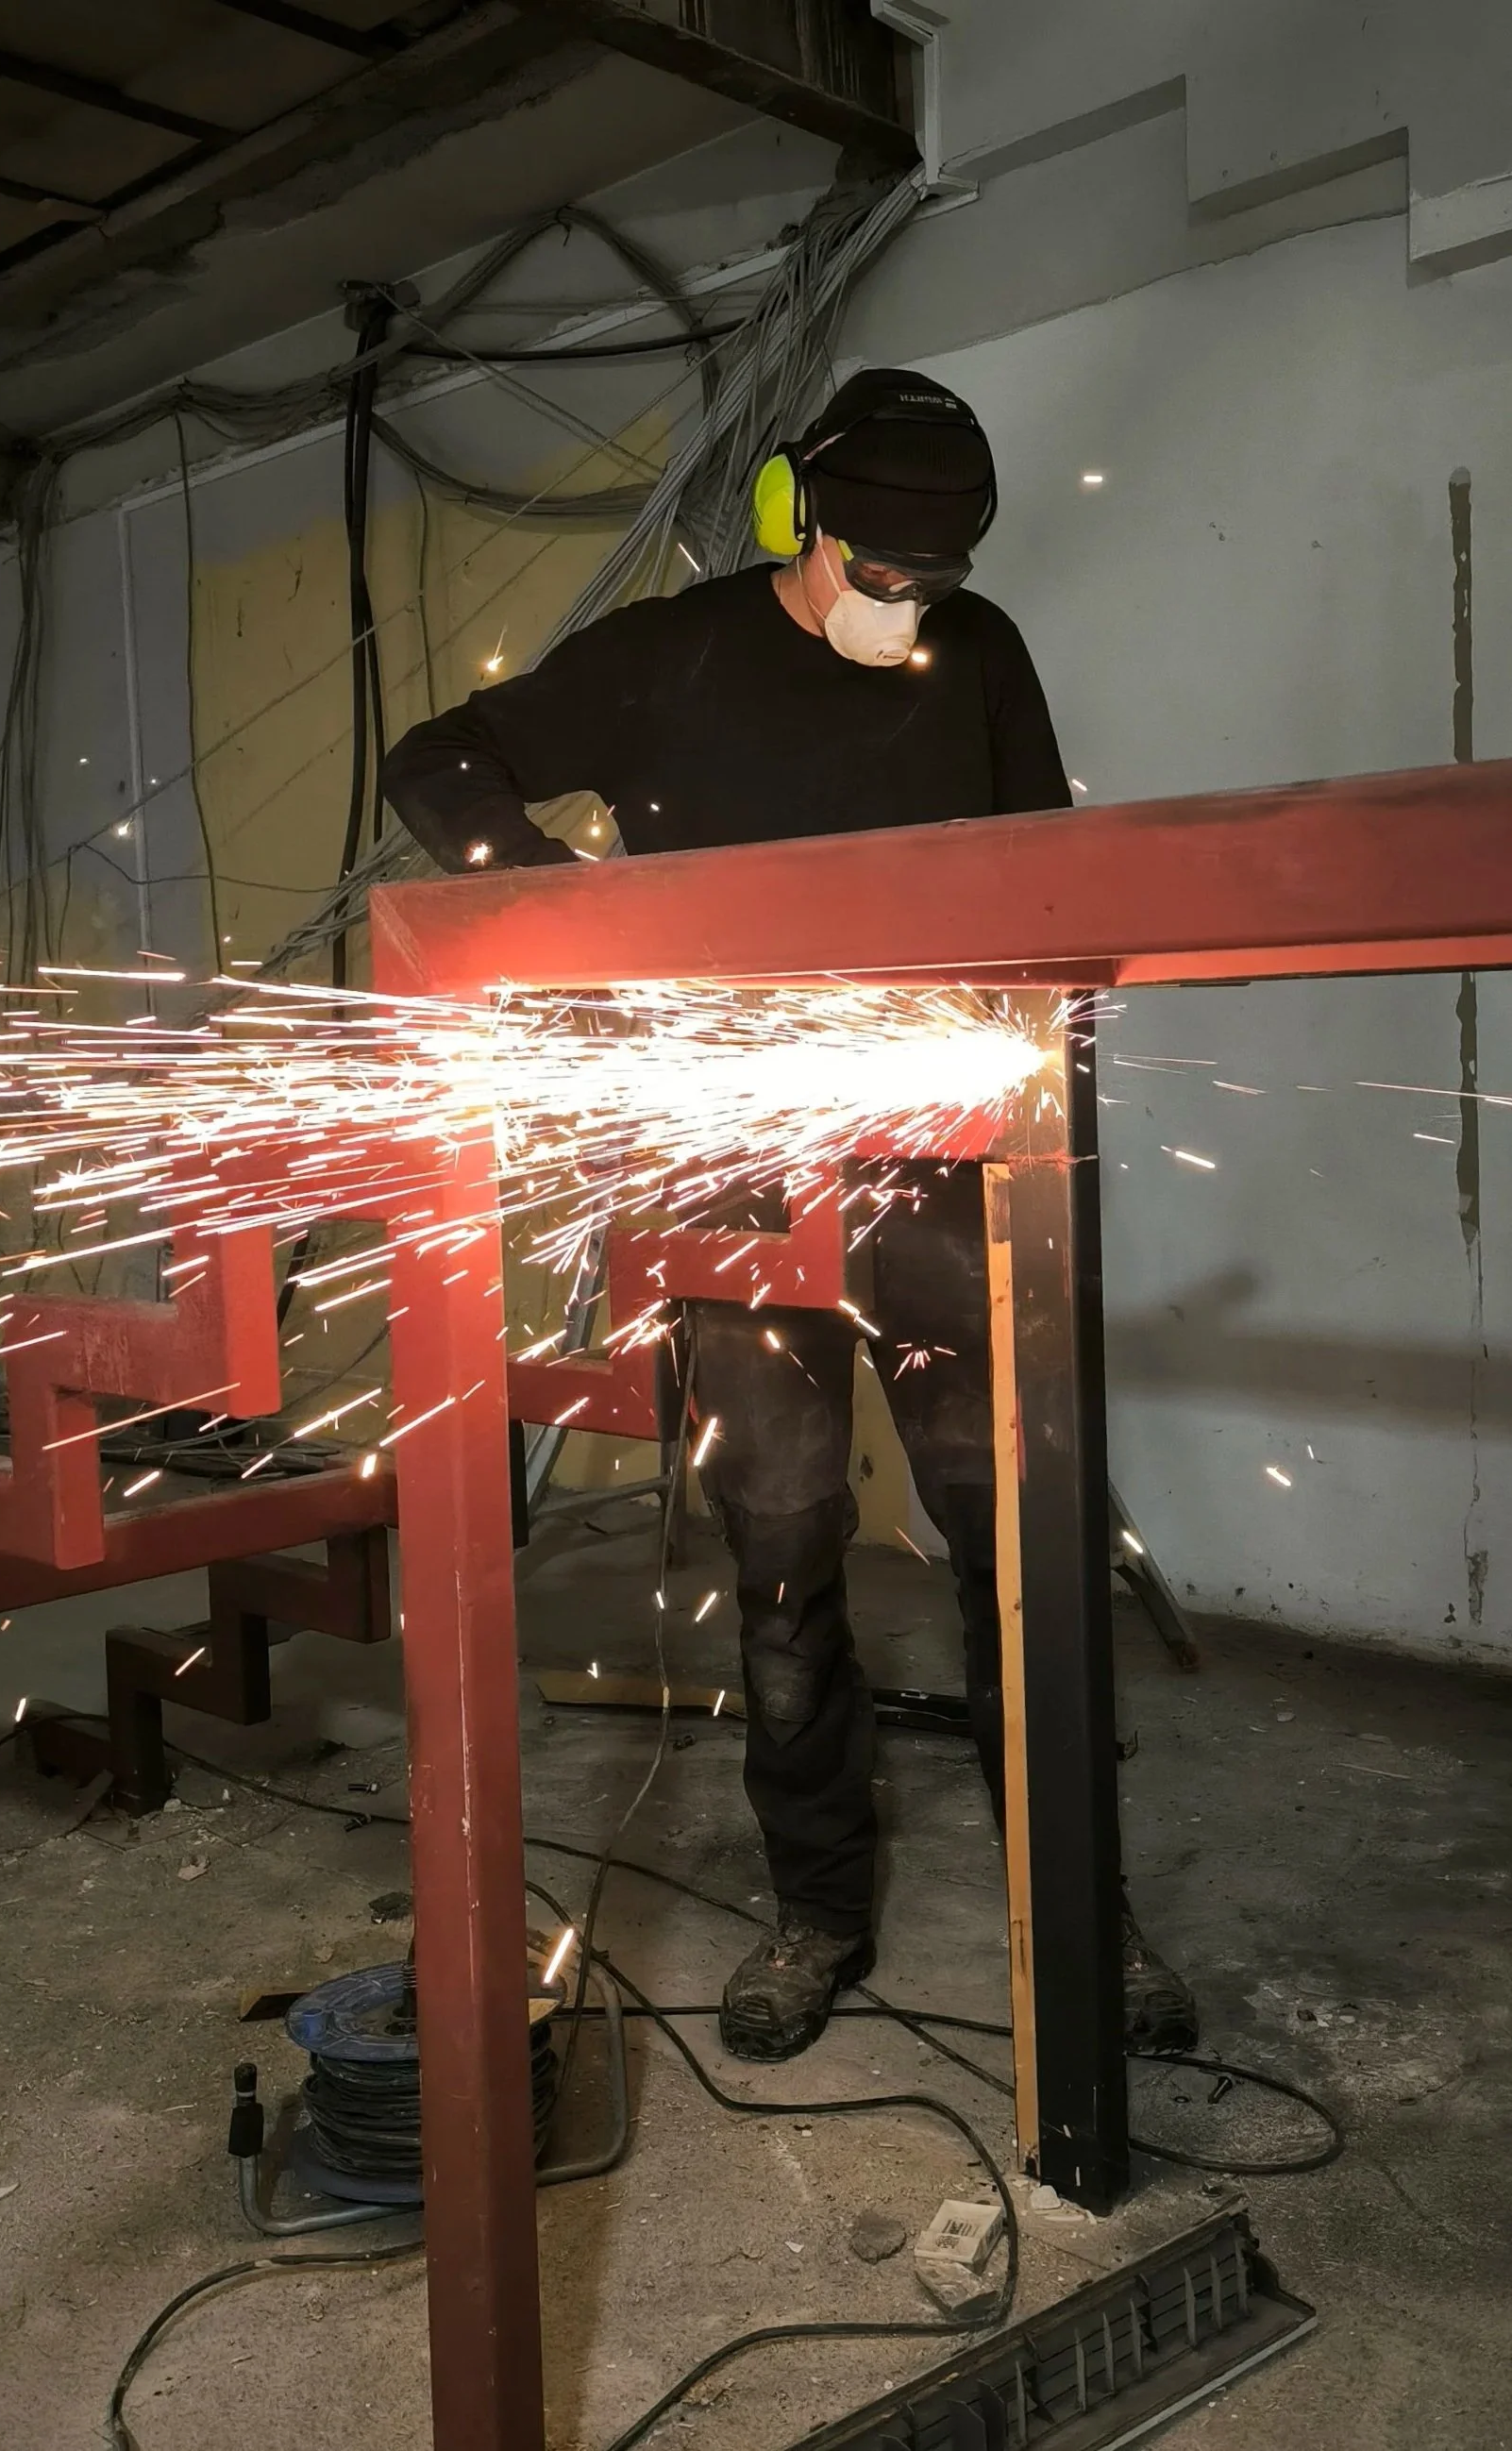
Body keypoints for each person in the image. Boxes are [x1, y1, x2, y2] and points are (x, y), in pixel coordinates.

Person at [381, 367, 1198, 2063]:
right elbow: (440, 757)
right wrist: (570, 925)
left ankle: (1084, 1914)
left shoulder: (984, 656)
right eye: (879, 577)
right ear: (794, 523)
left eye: (932, 584)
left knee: (1020, 1548)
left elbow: (1048, 876)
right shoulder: (669, 654)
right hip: (738, 1177)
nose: (905, 612)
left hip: (934, 1161)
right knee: (780, 1548)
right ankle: (817, 1908)